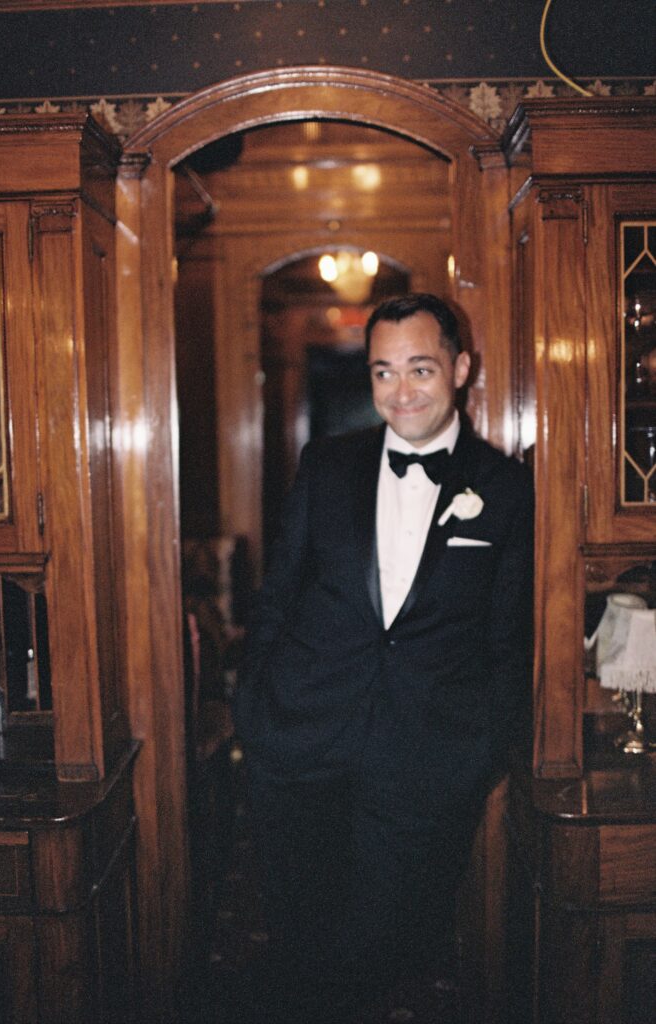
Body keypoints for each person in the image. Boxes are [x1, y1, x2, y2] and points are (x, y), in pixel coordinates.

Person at [234, 293, 534, 1023]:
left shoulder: (507, 489)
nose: (400, 392)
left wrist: (478, 754)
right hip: (301, 749)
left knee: (387, 951)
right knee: (301, 952)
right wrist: (255, 714)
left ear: (460, 369)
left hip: (426, 768)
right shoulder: (327, 464)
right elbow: (278, 599)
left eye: (421, 369)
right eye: (382, 372)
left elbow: (508, 640)